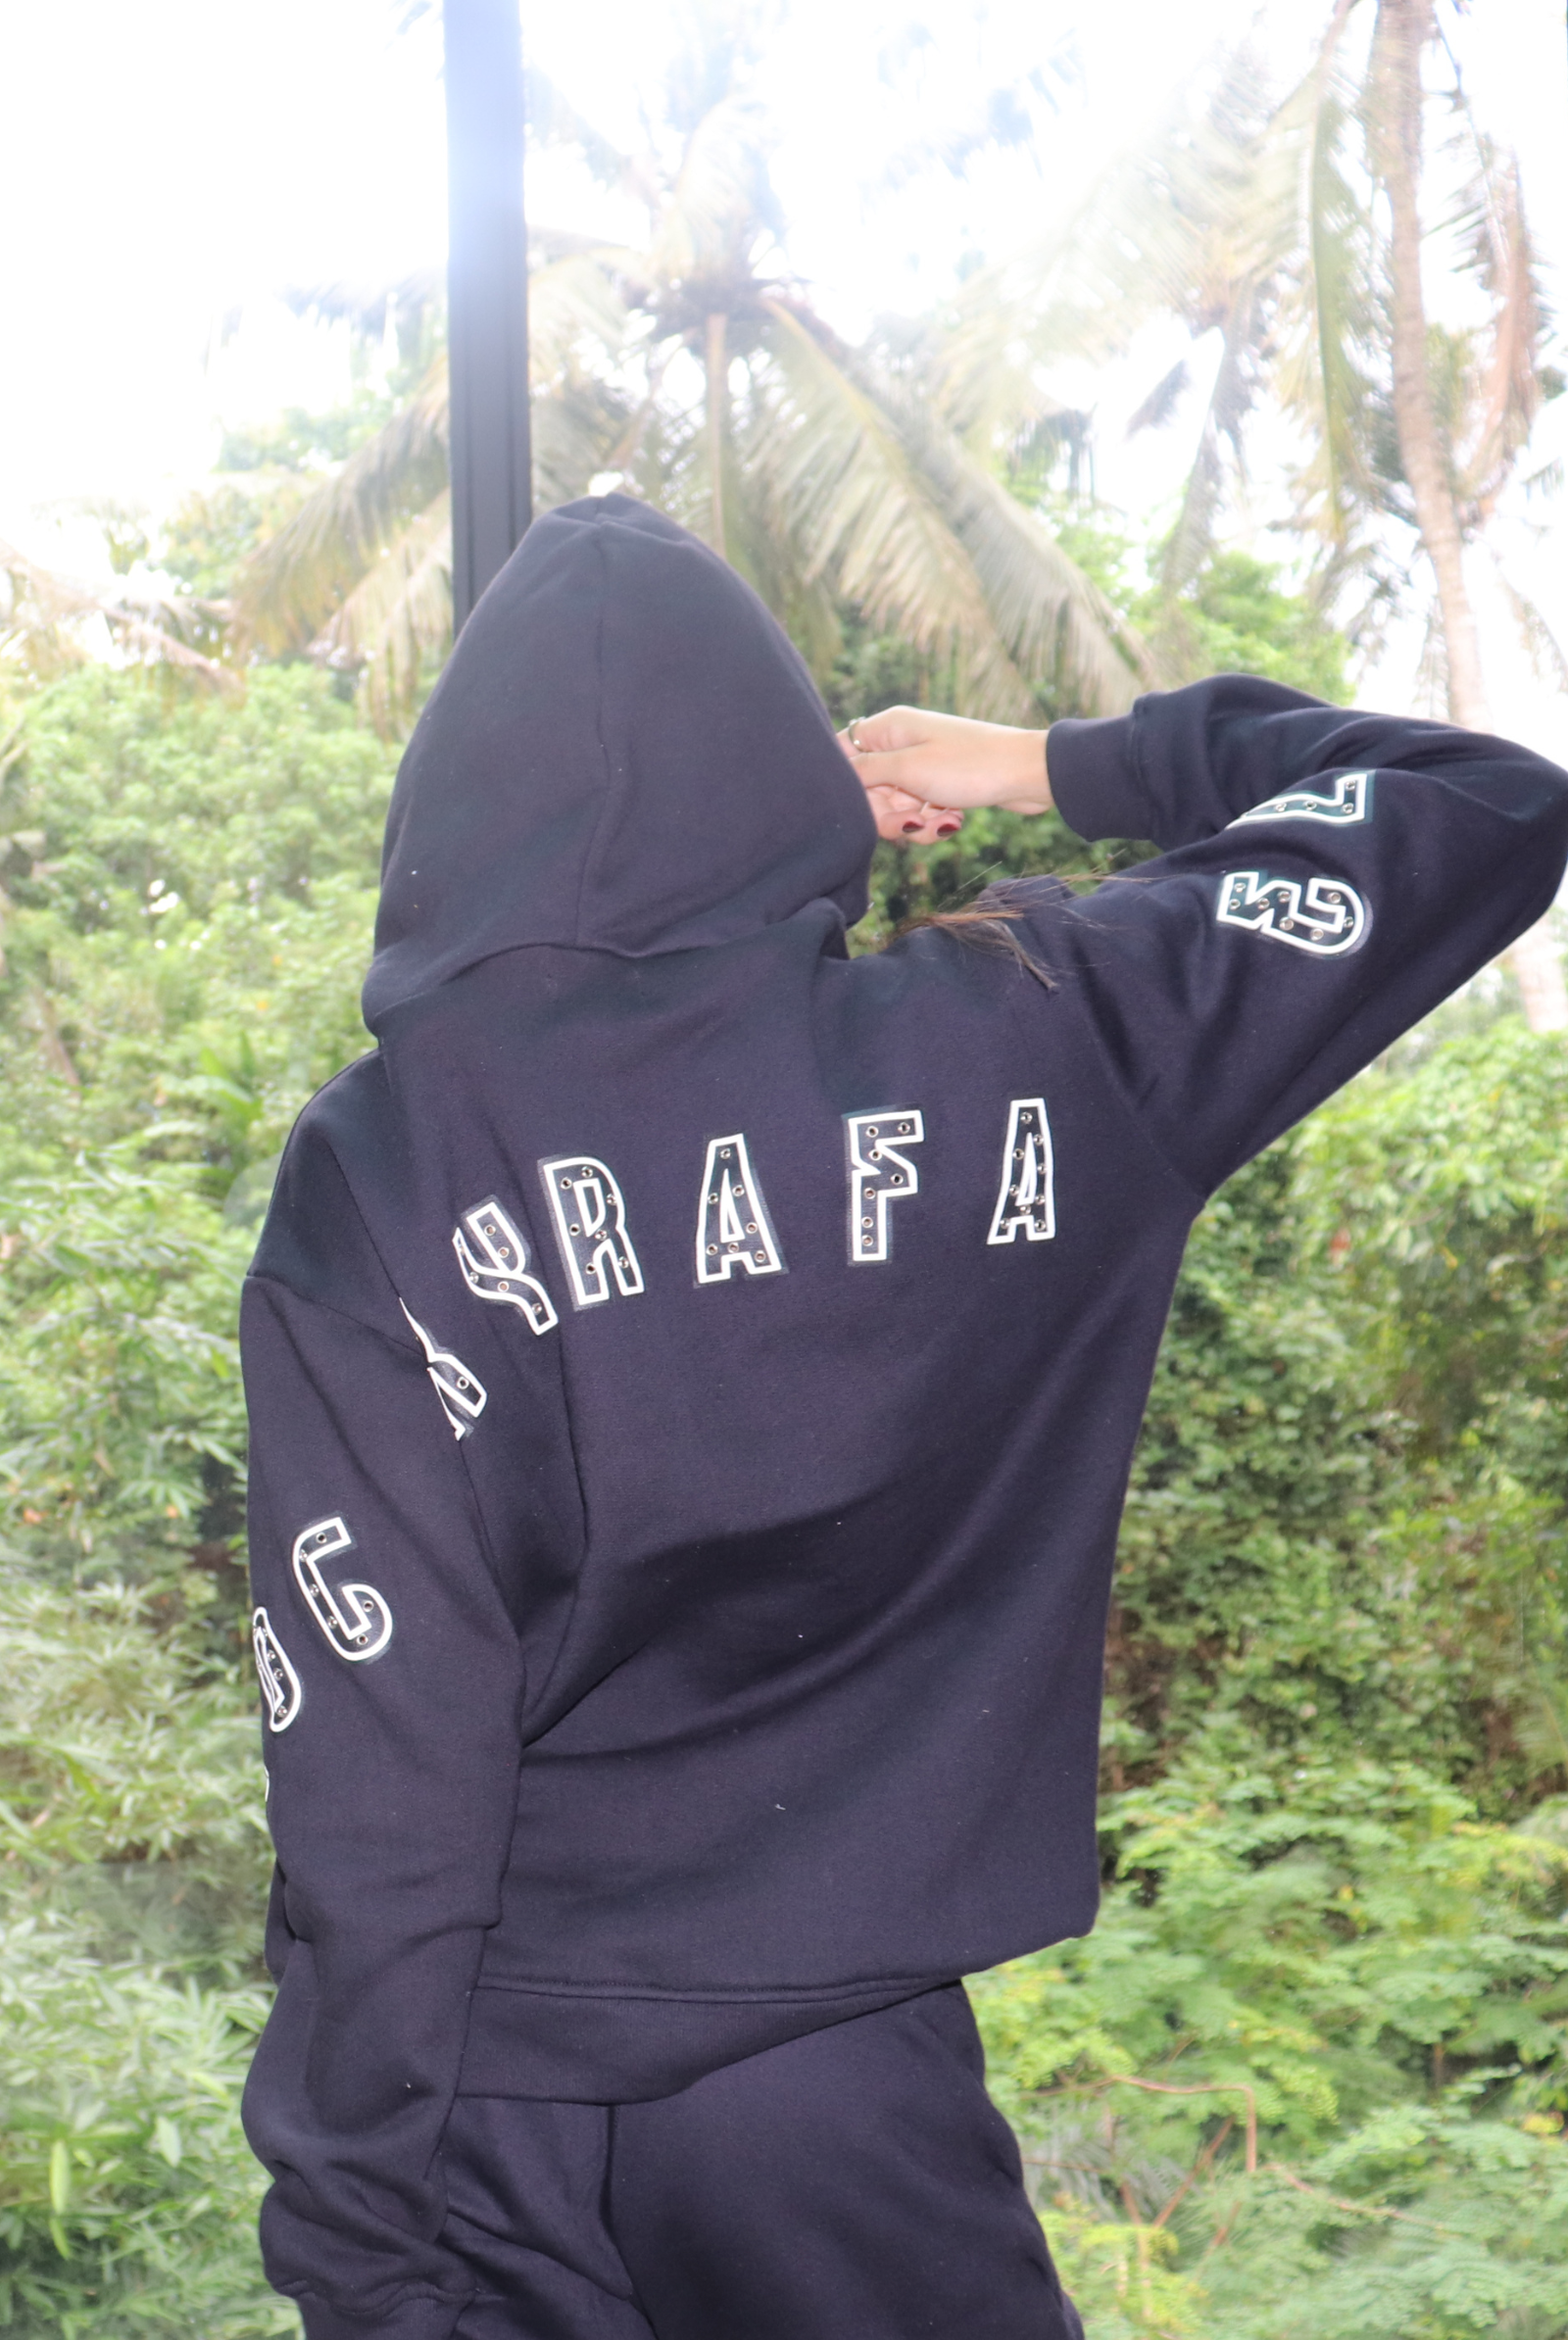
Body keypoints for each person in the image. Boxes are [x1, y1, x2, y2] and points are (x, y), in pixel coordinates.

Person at [240, 494, 1568, 2340]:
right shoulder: (1045, 1036)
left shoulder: (384, 1166)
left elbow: (378, 1767)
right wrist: (1047, 764)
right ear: (785, 784)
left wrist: (358, 2245)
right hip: (833, 2102)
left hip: (484, 2096)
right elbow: (1480, 801)